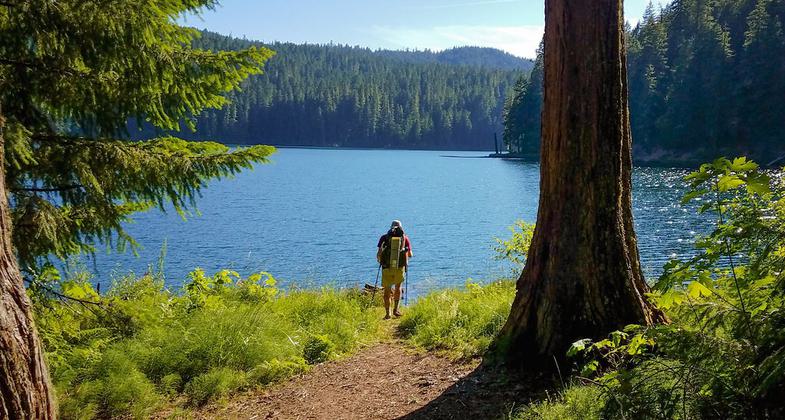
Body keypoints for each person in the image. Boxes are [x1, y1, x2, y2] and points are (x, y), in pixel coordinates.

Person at [376, 220, 413, 319]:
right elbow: (410, 255)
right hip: (399, 268)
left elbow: (378, 254)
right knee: (398, 288)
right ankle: (396, 310)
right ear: (401, 228)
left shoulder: (384, 238)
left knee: (387, 291)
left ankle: (388, 314)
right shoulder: (405, 238)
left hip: (386, 268)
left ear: (391, 227)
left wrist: (381, 262)